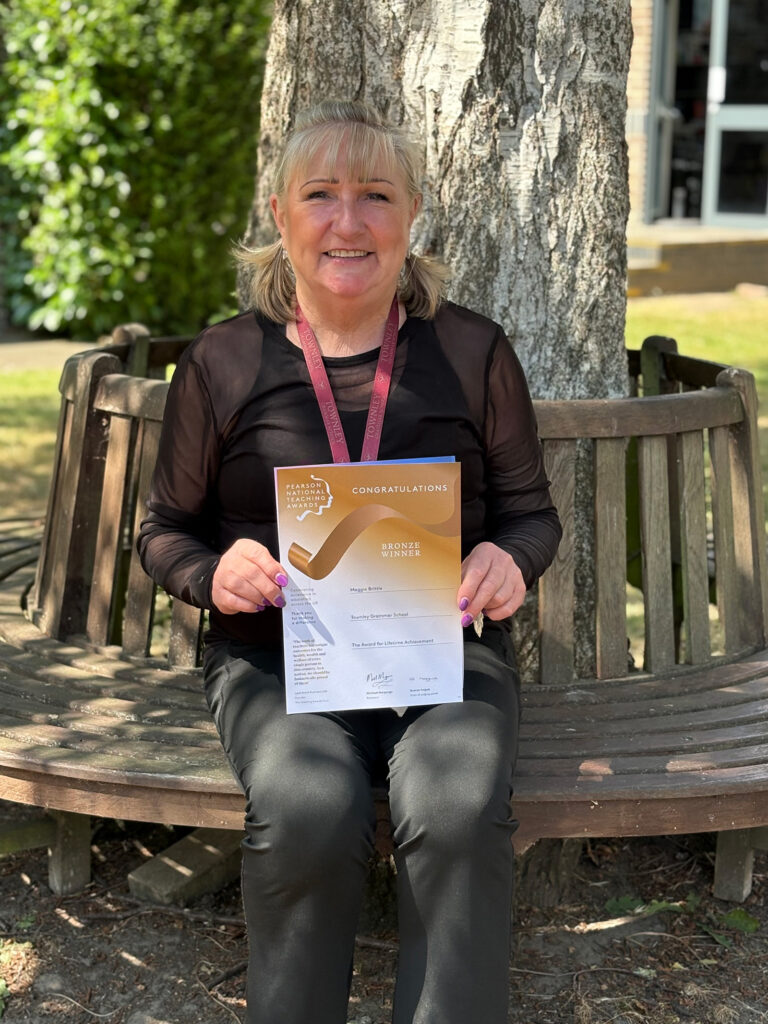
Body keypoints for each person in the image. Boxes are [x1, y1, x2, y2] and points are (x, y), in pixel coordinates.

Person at [137, 99, 561, 1024]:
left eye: (375, 194)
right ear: (280, 215)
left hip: (442, 654)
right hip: (277, 660)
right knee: (306, 804)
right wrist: (211, 574)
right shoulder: (222, 361)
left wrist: (506, 557)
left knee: (456, 804)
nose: (348, 220)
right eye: (320, 194)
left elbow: (532, 515)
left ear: (412, 215)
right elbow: (164, 529)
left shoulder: (473, 351)